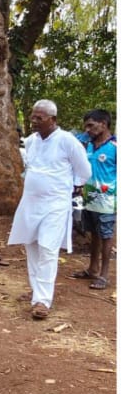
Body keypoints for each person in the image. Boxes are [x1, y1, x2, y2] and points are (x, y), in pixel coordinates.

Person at [8, 99, 91, 319]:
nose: (34, 121)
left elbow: (84, 171)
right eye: (33, 116)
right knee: (32, 246)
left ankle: (43, 301)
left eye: (39, 117)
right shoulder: (32, 141)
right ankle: (37, 292)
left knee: (48, 248)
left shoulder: (67, 141)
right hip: (30, 203)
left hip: (55, 204)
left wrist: (73, 187)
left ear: (52, 119)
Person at [72, 109, 116, 291]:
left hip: (108, 201)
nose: (87, 129)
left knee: (106, 235)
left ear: (103, 124)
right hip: (89, 198)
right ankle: (92, 268)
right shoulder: (88, 146)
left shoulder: (115, 147)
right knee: (94, 233)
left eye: (91, 125)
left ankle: (104, 275)